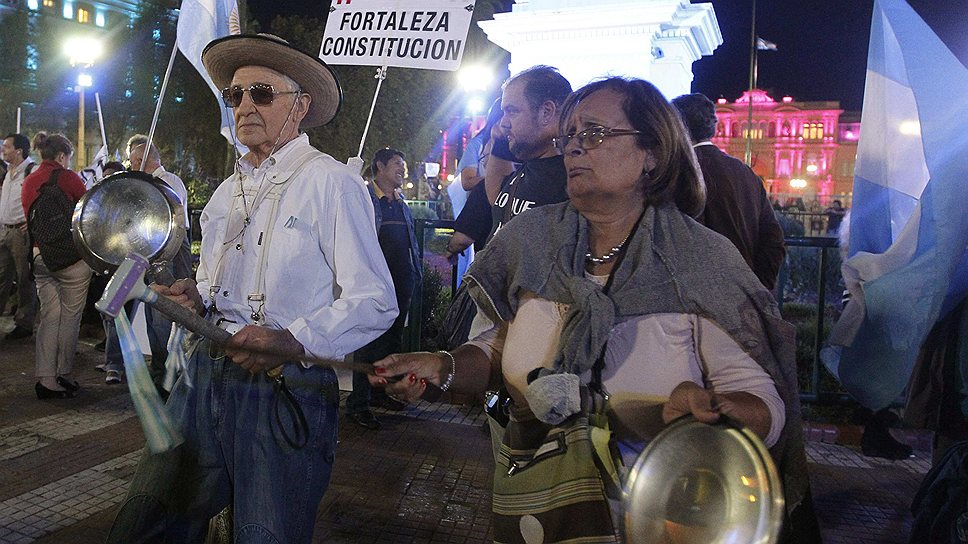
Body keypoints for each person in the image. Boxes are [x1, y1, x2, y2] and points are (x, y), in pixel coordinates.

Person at [372, 77, 817, 543]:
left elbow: (764, 402)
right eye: (571, 136)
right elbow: (497, 349)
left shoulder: (700, 263)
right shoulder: (529, 243)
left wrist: (716, 410)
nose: (574, 149)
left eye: (596, 133)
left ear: (653, 152)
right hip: (532, 516)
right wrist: (440, 368)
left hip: (655, 521)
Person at [107, 34, 397, 543]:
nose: (244, 106)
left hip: (287, 387)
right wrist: (195, 298)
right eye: (234, 96)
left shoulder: (331, 183)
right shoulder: (224, 193)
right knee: (147, 520)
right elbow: (212, 285)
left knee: (265, 533)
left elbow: (375, 301)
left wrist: (293, 340)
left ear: (300, 106)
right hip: (204, 376)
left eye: (261, 93)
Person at [100, 137, 192, 387]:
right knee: (147, 316)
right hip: (146, 256)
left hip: (166, 257)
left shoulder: (168, 182)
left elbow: (170, 224)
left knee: (162, 315)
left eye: (133, 161)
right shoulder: (146, 183)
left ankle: (166, 375)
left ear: (142, 160)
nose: (130, 165)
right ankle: (148, 368)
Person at [672, 93, 786, 290]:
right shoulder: (746, 173)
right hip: (743, 295)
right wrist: (758, 289)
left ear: (677, 127)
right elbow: (773, 239)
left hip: (696, 298)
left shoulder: (677, 172)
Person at [346, 147, 422, 430]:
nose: (402, 170)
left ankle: (381, 393)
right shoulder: (365, 199)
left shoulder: (400, 204)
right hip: (373, 283)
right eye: (396, 165)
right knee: (367, 341)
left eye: (403, 165)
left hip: (401, 282)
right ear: (380, 166)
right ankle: (358, 403)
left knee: (391, 340)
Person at [22, 132, 91, 399]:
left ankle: (46, 379)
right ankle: (63, 373)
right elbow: (88, 212)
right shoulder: (69, 178)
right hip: (71, 259)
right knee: (70, 317)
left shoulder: (29, 181)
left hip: (40, 256)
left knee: (49, 316)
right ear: (62, 156)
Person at [487, 65, 572, 240]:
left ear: (546, 112)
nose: (503, 123)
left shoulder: (574, 181)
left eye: (512, 111)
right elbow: (495, 197)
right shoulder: (530, 169)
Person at [0, 133, 39, 340]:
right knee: (2, 277)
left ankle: (24, 324)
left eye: (6, 147)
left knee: (24, 278)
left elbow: (43, 199)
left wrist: (32, 221)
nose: (3, 150)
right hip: (4, 231)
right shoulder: (7, 171)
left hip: (20, 234)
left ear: (19, 151)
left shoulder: (32, 172)